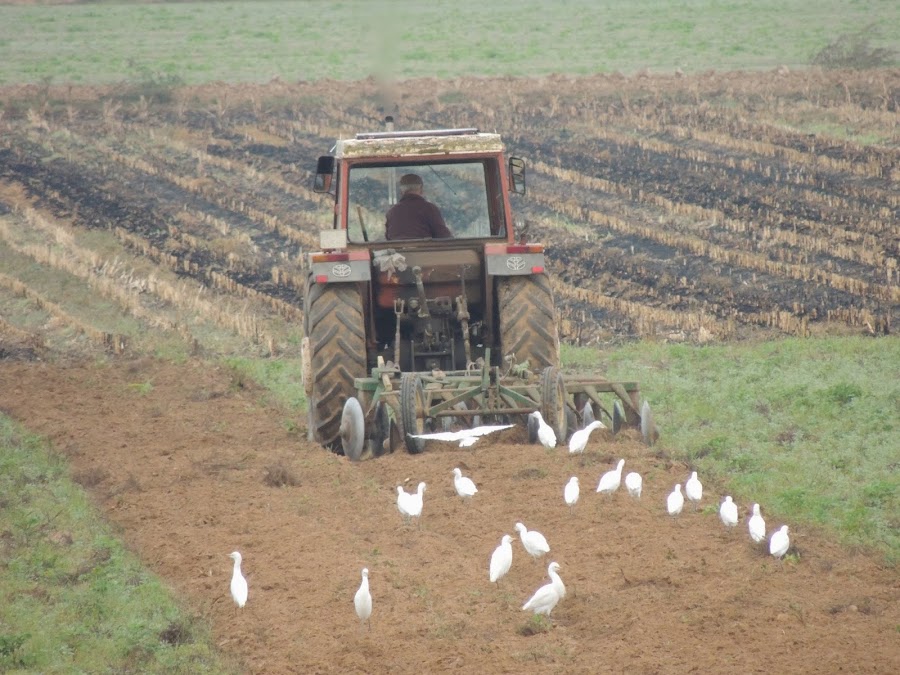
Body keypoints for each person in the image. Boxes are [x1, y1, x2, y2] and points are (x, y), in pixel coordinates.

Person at [385, 173, 452, 240]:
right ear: (421, 189)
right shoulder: (430, 209)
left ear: (401, 191)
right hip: (423, 250)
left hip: (397, 250)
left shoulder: (392, 212)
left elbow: (388, 238)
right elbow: (444, 236)